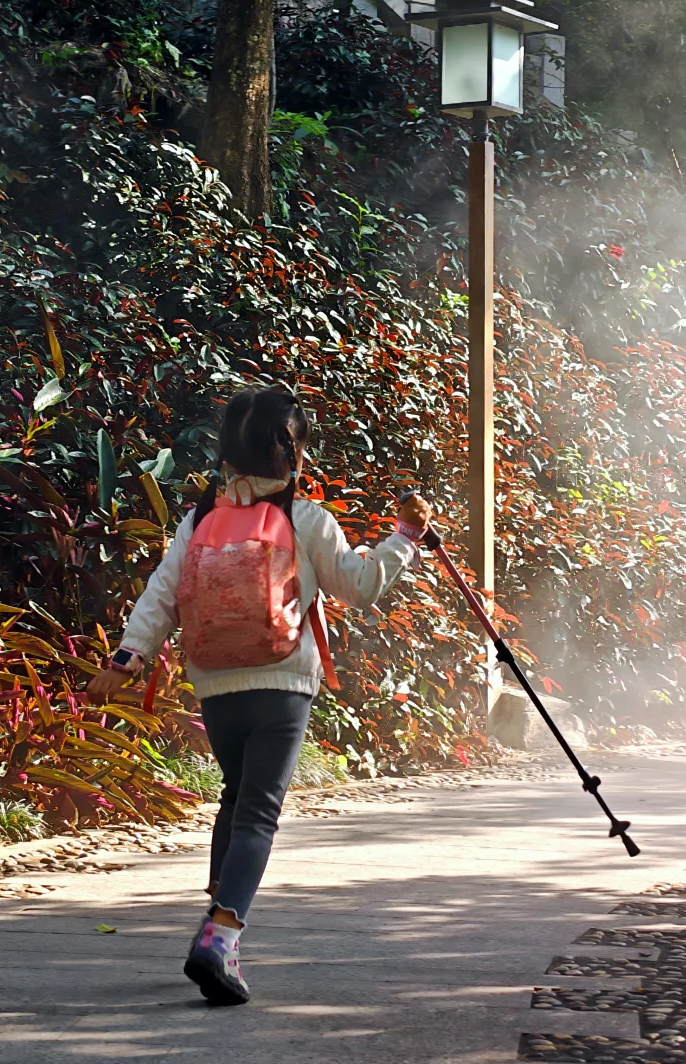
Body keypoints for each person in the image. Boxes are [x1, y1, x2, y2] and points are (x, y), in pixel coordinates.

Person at [86, 386, 431, 1006]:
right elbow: (359, 586)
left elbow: (163, 593)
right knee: (258, 813)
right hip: (281, 683)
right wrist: (405, 536)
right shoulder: (305, 518)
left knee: (235, 796)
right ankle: (221, 935)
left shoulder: (200, 519)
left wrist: (127, 658)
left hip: (216, 685)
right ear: (290, 453)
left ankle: (215, 915)